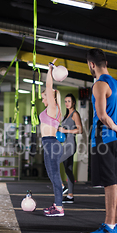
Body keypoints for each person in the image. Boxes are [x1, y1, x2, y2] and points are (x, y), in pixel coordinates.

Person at [86, 48, 117, 233]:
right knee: (116, 183)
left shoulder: (99, 85)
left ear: (92, 65)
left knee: (110, 184)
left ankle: (109, 226)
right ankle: (116, 224)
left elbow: (103, 116)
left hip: (104, 138)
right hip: (115, 141)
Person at [40, 61, 65, 216]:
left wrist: (49, 70)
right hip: (49, 143)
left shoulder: (53, 107)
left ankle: (59, 208)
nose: (43, 100)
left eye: (45, 97)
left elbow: (49, 87)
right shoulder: (55, 109)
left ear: (51, 98)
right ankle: (57, 203)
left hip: (51, 144)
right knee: (53, 176)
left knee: (55, 176)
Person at [58, 93, 83, 203]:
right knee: (68, 170)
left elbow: (80, 130)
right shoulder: (66, 115)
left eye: (69, 101)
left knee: (54, 162)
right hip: (65, 144)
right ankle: (70, 196)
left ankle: (62, 186)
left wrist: (65, 131)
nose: (67, 103)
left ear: (73, 102)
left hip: (70, 145)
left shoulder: (75, 114)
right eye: (65, 101)